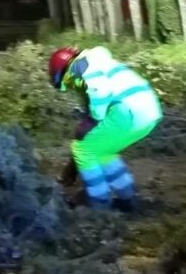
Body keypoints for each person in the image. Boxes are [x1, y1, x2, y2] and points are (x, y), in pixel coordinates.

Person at [48, 45, 162, 211]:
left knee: (83, 150)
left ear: (60, 73)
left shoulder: (81, 68)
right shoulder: (97, 62)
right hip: (149, 110)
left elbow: (99, 91)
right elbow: (87, 125)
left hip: (129, 110)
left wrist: (94, 120)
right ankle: (127, 198)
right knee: (102, 151)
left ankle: (98, 202)